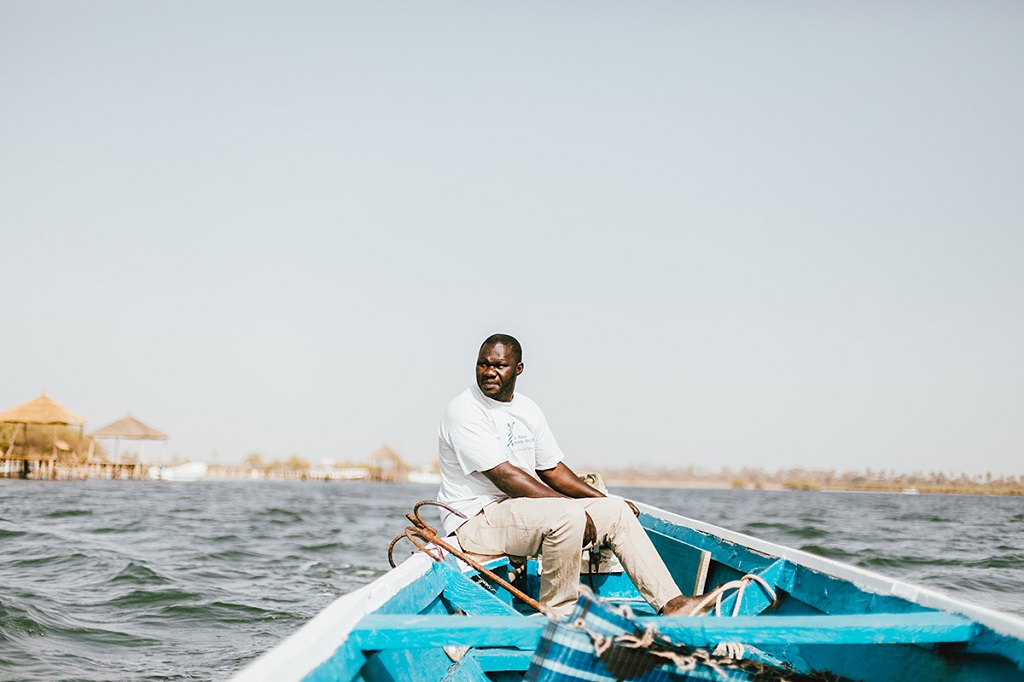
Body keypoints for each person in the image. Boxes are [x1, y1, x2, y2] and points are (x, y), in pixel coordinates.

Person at [436, 333, 699, 617]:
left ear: (518, 369)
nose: (489, 372)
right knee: (567, 516)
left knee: (616, 511)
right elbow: (506, 477)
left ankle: (672, 604)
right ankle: (559, 615)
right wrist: (572, 507)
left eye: (499, 366)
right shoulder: (463, 410)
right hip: (476, 521)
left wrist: (600, 500)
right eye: (482, 364)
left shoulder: (527, 410)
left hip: (521, 511)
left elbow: (552, 469)